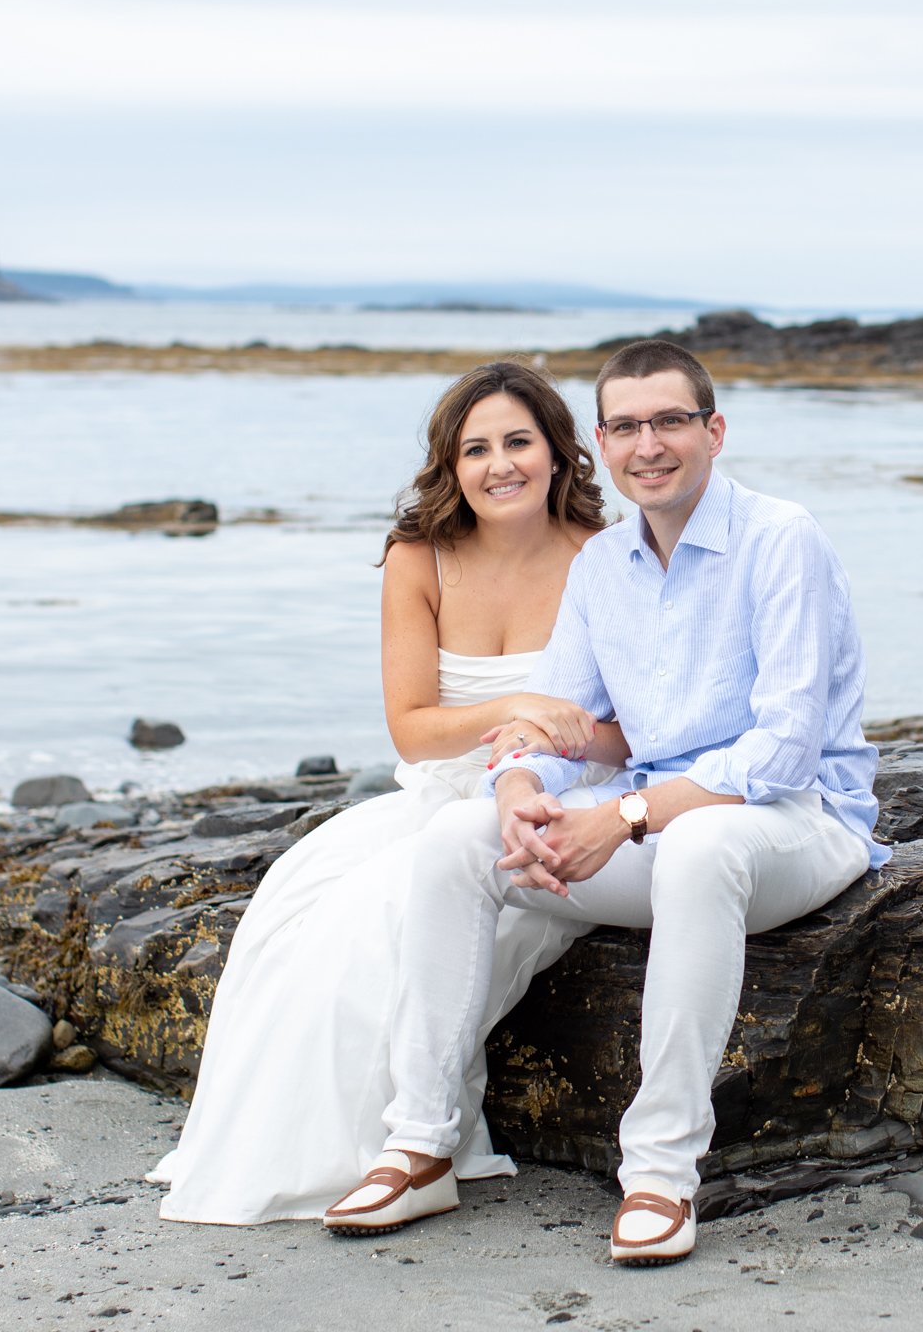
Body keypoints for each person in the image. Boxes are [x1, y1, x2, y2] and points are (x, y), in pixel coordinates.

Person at [322, 339, 887, 1266]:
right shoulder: (603, 567)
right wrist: (515, 793)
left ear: (713, 431)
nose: (648, 445)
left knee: (704, 845)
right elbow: (558, 723)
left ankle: (661, 1172)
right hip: (661, 825)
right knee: (460, 839)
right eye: (625, 426)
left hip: (798, 826)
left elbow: (782, 751)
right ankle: (421, 1145)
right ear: (601, 441)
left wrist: (622, 817)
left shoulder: (783, 539)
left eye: (669, 421)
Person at [150, 361, 624, 1225]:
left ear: (559, 453)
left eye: (518, 441)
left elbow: (635, 726)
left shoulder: (606, 559)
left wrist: (566, 752)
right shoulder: (419, 560)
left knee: (389, 928)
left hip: (555, 806)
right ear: (451, 466)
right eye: (474, 449)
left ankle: (411, 1154)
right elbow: (411, 727)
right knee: (300, 922)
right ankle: (338, 1154)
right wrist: (517, 705)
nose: (499, 465)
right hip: (433, 800)